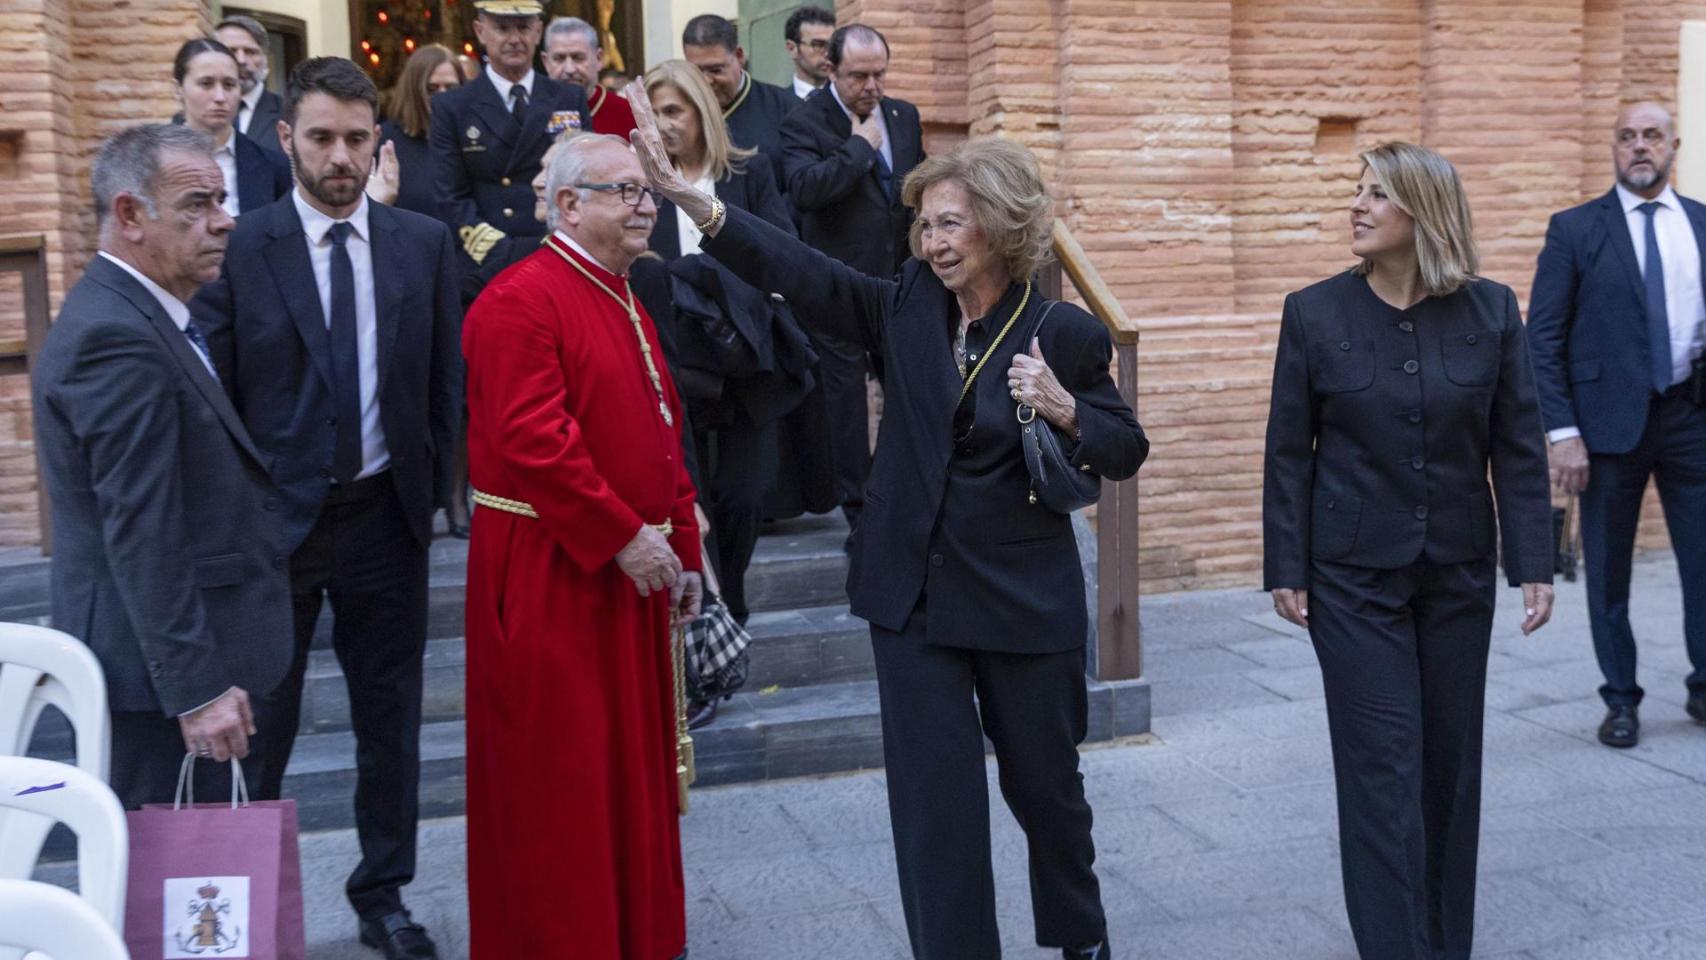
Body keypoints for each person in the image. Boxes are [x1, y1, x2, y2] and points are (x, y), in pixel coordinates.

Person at [633, 89, 1146, 960]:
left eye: (951, 225)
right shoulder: (907, 304)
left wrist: (1065, 411)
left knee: (1046, 791)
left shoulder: (1061, 331)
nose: (933, 243)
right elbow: (803, 273)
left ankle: (1080, 938)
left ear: (1002, 226)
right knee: (933, 807)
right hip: (912, 595)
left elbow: (1125, 446)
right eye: (925, 227)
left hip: (1023, 599)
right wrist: (700, 206)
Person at [192, 58, 461, 960]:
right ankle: (245, 908)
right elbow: (218, 404)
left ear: (377, 141)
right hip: (275, 534)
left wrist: (442, 498)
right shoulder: (243, 248)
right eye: (321, 138)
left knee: (389, 724)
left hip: (388, 518)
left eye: (356, 138)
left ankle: (382, 894)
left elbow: (439, 384)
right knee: (257, 730)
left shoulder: (421, 244)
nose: (340, 156)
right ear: (285, 140)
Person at [1262, 142, 1555, 960]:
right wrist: (1285, 565)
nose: (1357, 206)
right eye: (1357, 192)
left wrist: (1534, 560)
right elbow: (1288, 450)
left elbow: (1518, 445)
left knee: (1449, 774)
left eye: (1377, 195)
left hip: (1459, 574)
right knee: (1382, 770)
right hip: (1352, 580)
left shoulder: (1492, 311)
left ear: (1423, 212)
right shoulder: (1313, 311)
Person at [461, 131, 702, 959]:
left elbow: (664, 430)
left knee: (626, 781)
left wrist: (686, 548)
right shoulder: (518, 300)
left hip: (626, 573)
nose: (646, 207)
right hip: (552, 579)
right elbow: (535, 443)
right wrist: (624, 537)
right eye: (626, 192)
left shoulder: (625, 293)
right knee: (560, 786)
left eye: (646, 193)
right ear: (569, 205)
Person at [33, 124, 291, 809]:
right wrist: (198, 689)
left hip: (177, 667)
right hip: (159, 691)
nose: (224, 221)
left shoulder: (144, 311)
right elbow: (142, 529)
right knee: (176, 898)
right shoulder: (116, 337)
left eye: (221, 200)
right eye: (197, 206)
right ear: (129, 215)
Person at [1528, 101, 1706, 749]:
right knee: (1607, 572)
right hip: (1605, 430)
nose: (1639, 147)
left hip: (1692, 416)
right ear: (1613, 147)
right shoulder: (1576, 229)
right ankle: (1621, 700)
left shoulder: (1702, 224)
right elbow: (1541, 340)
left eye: (1651, 136)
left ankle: (1704, 686)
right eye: (1627, 136)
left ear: (1673, 146)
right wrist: (1562, 433)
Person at [632, 59, 813, 635]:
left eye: (674, 111)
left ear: (702, 114)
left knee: (742, 496)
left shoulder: (747, 176)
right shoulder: (638, 185)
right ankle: (705, 611)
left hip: (743, 364)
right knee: (691, 501)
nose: (662, 125)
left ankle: (728, 602)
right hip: (671, 369)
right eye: (654, 112)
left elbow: (781, 250)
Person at [781, 23, 924, 542]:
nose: (872, 86)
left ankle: (901, 490)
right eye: (859, 76)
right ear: (830, 70)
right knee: (844, 404)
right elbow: (803, 190)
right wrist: (860, 149)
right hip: (837, 285)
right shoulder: (803, 121)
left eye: (879, 74)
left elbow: (916, 189)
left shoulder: (904, 115)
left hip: (901, 282)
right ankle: (860, 514)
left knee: (909, 389)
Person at [429, 0, 589, 283]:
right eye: (502, 28)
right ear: (480, 31)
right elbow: (450, 195)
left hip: (559, 255)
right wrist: (499, 250)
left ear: (538, 32)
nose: (514, 39)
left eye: (524, 28)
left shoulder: (568, 98)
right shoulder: (452, 106)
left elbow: (584, 178)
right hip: (485, 263)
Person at [171, 38, 290, 218]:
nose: (220, 97)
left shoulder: (275, 167)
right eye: (206, 84)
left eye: (229, 85)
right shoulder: (151, 161)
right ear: (178, 89)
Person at [681, 14, 799, 193]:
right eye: (696, 71)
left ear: (739, 56)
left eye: (716, 70)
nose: (706, 81)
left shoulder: (788, 108)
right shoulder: (677, 113)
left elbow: (800, 187)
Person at [379, 44, 467, 219]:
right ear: (414, 91)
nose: (442, 97)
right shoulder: (387, 142)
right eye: (432, 89)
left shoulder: (472, 138)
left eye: (451, 88)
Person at [543, 16, 636, 137]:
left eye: (578, 58)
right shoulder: (530, 111)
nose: (569, 69)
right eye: (559, 59)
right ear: (545, 62)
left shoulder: (629, 113)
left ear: (598, 59)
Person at [214, 15, 283, 153]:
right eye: (231, 51)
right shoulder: (187, 118)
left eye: (251, 52)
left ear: (265, 59)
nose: (241, 60)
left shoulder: (288, 115)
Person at [784, 6, 836, 100]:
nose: (828, 53)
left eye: (832, 45)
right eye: (819, 45)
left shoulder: (848, 101)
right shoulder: (778, 106)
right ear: (792, 49)